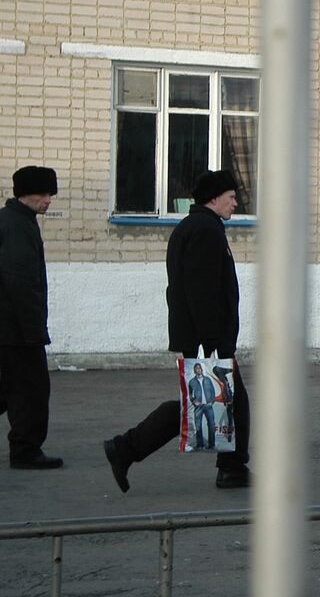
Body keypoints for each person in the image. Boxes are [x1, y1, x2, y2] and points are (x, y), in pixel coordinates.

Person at [103, 170, 251, 490]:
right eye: (231, 197)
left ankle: (127, 448)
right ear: (214, 198)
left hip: (202, 337)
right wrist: (213, 344)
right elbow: (202, 292)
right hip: (208, 340)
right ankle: (231, 468)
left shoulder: (195, 226)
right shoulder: (205, 230)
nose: (235, 203)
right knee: (229, 403)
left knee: (203, 405)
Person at [1, 165, 63, 470]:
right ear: (26, 194)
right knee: (31, 391)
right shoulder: (18, 227)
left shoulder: (14, 220)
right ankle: (26, 451)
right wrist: (33, 330)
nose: (49, 200)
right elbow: (20, 281)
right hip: (17, 329)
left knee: (9, 389)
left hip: (10, 326)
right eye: (43, 193)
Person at [188, 363, 218, 449]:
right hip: (199, 407)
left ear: (201, 369)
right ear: (194, 370)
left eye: (200, 368)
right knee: (198, 426)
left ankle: (211, 445)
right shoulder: (192, 382)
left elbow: (213, 391)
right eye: (197, 368)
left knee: (211, 425)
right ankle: (200, 445)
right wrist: (194, 402)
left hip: (208, 406)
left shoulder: (207, 380)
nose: (199, 369)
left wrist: (211, 402)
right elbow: (190, 395)